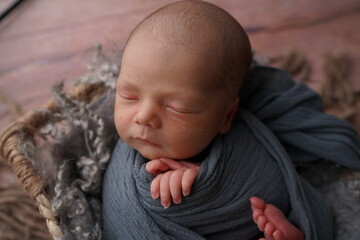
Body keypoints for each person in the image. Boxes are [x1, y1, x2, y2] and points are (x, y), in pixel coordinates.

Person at [102, 1, 360, 239]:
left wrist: (202, 180)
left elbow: (286, 186)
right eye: (129, 95)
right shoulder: (121, 164)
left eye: (176, 107)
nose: (144, 116)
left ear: (226, 116)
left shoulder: (251, 146)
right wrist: (162, 190)